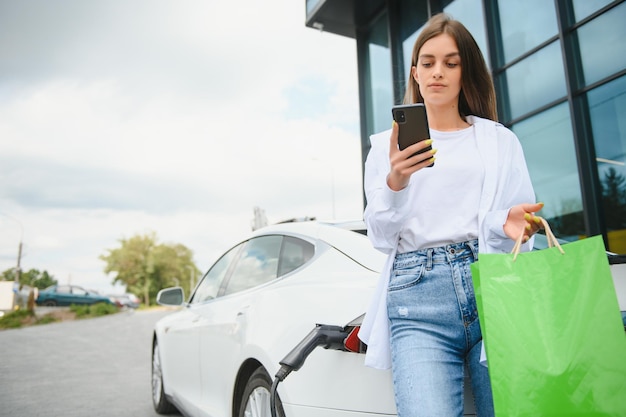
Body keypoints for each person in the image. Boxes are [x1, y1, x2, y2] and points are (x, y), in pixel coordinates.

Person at [357, 13, 544, 417]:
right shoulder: (384, 147)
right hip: (418, 298)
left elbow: (511, 220)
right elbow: (381, 237)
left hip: (493, 289)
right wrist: (396, 181)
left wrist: (510, 225)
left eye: (451, 62)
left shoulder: (498, 141)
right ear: (416, 73)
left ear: (465, 73)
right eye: (428, 62)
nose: (438, 72)